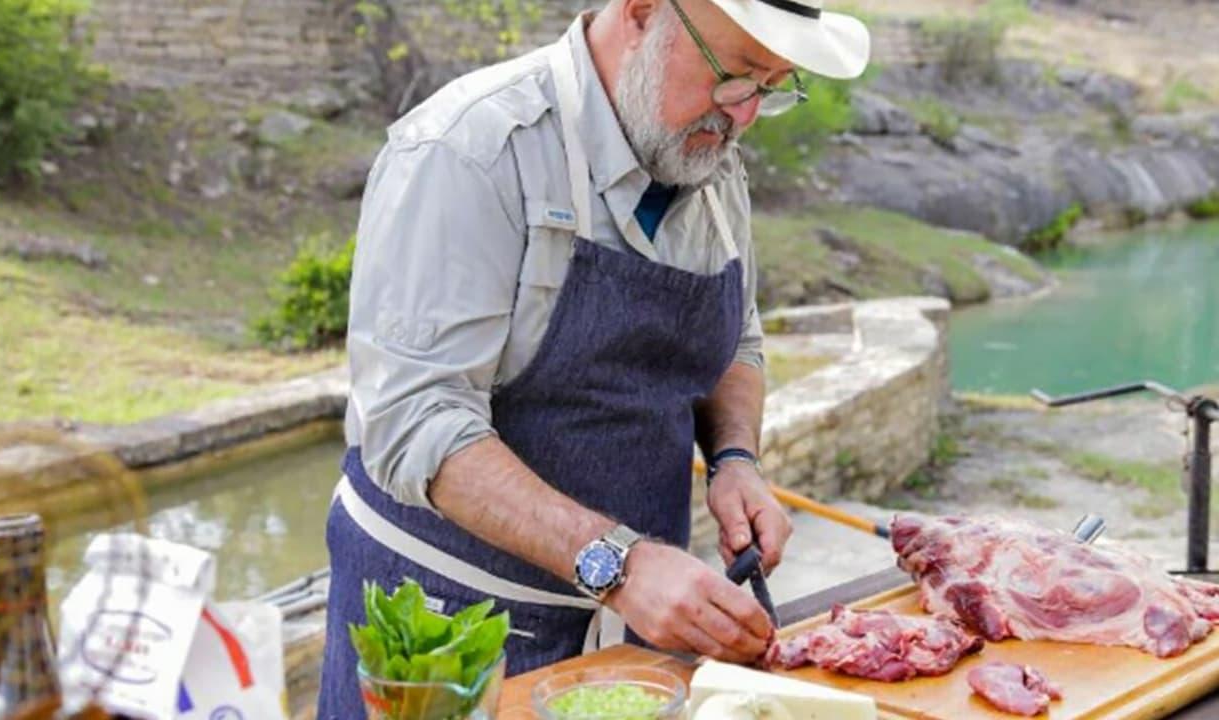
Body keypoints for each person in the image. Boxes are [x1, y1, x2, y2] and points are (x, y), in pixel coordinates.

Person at [318, 0, 869, 715]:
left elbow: (738, 338)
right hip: (447, 636)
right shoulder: (469, 149)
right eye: (734, 75)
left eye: (771, 87)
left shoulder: (709, 157)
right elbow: (415, 420)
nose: (745, 115)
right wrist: (619, 564)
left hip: (631, 644)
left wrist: (736, 460)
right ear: (641, 12)